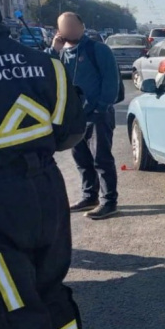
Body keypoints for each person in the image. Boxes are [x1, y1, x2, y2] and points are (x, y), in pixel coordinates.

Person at [0, 7, 86, 329]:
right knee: (51, 289)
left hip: (1, 203)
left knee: (15, 304)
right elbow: (73, 131)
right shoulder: (47, 65)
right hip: (46, 191)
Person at [48, 12, 121, 220]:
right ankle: (89, 197)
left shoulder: (98, 49)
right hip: (74, 117)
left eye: (73, 25)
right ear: (59, 31)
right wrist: (54, 50)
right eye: (65, 27)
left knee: (101, 159)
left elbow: (111, 81)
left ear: (82, 26)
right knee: (81, 159)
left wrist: (101, 107)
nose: (69, 30)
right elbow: (46, 70)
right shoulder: (60, 53)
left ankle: (109, 202)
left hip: (98, 115)